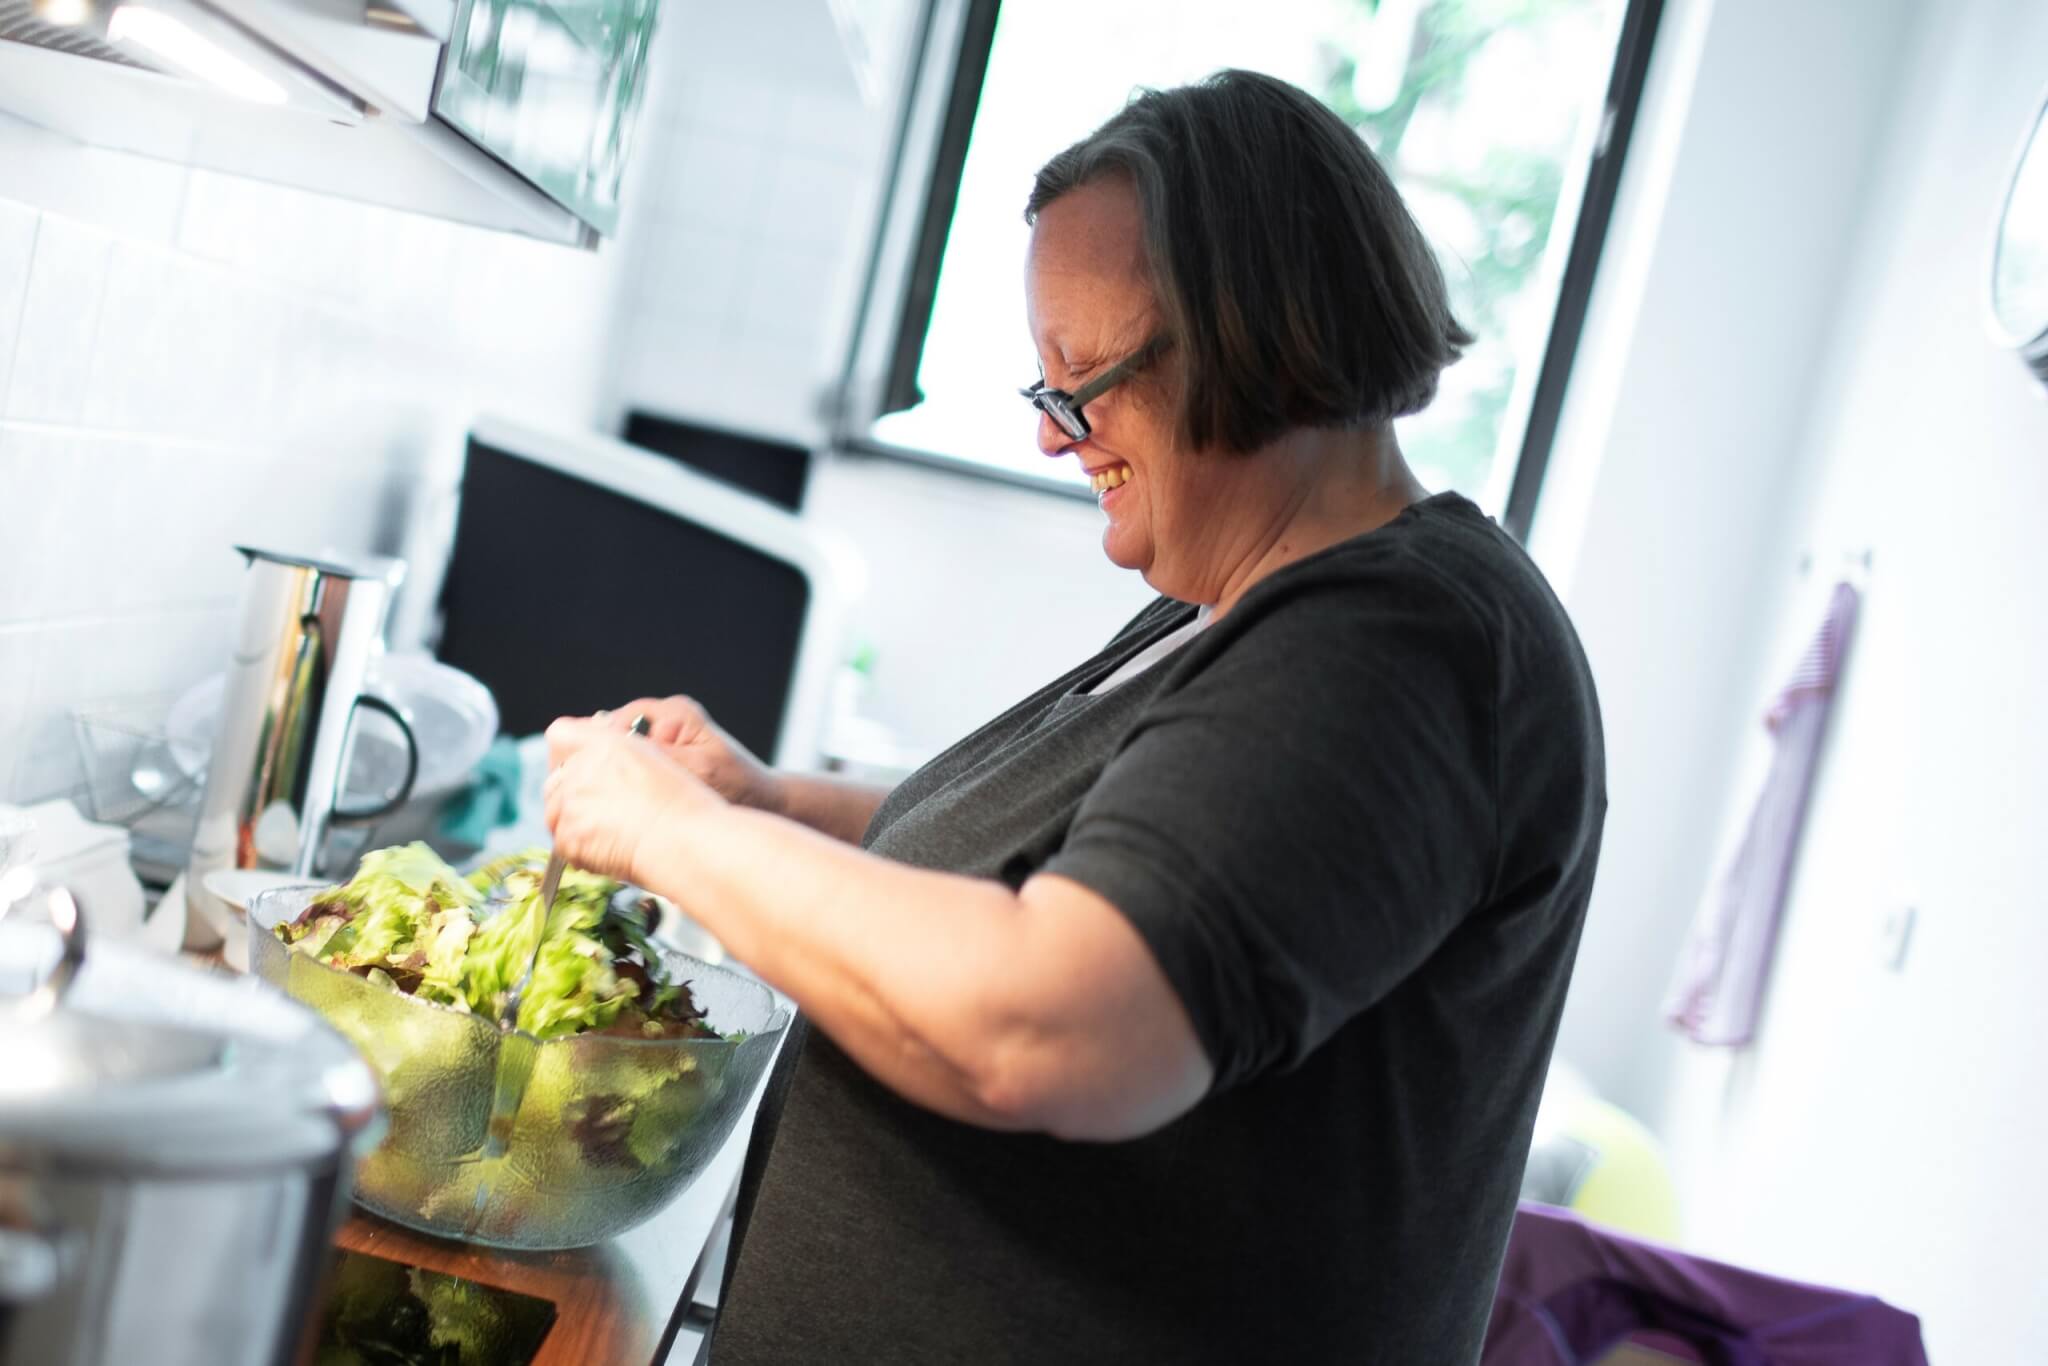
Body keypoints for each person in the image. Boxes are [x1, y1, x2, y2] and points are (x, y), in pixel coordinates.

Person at [543, 68, 1606, 1366]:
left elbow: (1050, 1022)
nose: (1058, 438)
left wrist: (671, 833)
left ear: (1266, 336)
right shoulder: (1238, 607)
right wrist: (767, 802)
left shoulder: (1402, 649)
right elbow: (1076, 858)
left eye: (1085, 380)